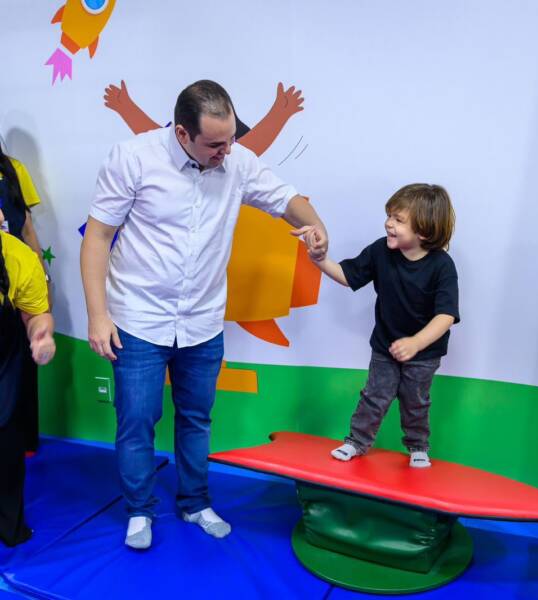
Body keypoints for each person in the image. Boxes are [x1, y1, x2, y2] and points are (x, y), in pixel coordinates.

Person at [80, 80, 327, 550]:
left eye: (230, 139)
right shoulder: (132, 158)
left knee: (196, 417)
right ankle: (139, 510)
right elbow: (97, 238)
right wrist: (97, 316)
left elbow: (285, 198)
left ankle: (194, 502)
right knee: (137, 420)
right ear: (182, 134)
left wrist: (316, 227)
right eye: (215, 144)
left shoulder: (237, 160)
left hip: (202, 321)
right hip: (138, 318)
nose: (226, 151)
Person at [298, 183, 459, 468]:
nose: (388, 224)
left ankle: (418, 446)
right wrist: (320, 260)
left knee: (415, 401)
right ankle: (356, 442)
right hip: (385, 345)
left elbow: (445, 315)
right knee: (374, 396)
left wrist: (416, 343)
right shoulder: (380, 251)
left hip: (424, 353)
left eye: (398, 220)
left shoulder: (442, 266)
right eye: (389, 216)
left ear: (424, 231)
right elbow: (348, 276)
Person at [0, 207, 55, 547]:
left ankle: (10, 526)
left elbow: (36, 314)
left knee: (6, 441)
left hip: (4, 355)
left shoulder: (19, 257)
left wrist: (41, 334)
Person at [0, 147, 50, 453]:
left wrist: (43, 276)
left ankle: (23, 442)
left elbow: (28, 228)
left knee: (19, 369)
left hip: (15, 280)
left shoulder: (13, 169)